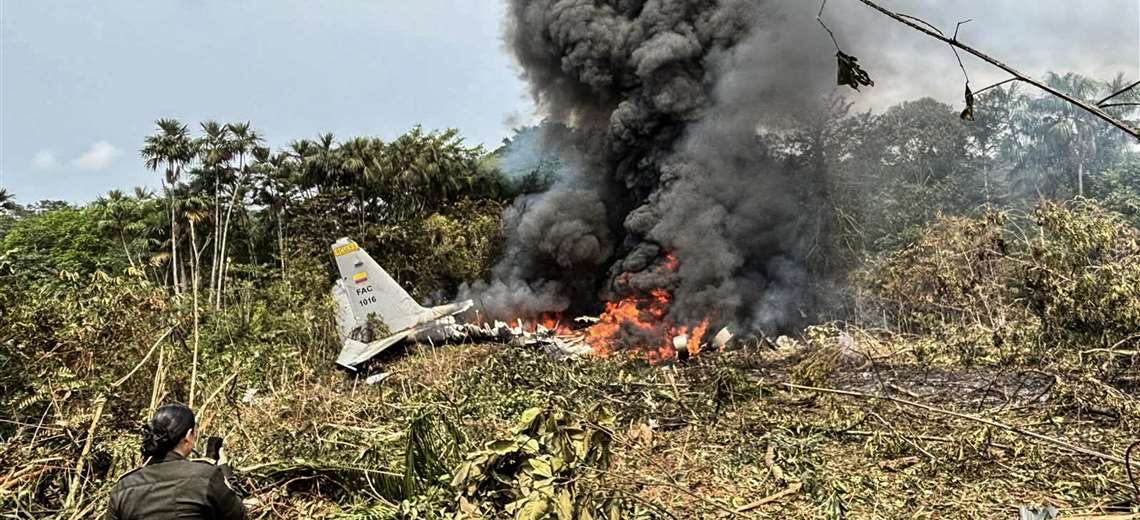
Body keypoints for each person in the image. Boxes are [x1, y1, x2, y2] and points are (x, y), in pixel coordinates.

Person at [106, 403, 246, 520]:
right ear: (188, 436)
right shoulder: (206, 476)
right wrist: (225, 471)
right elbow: (239, 515)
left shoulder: (122, 487)